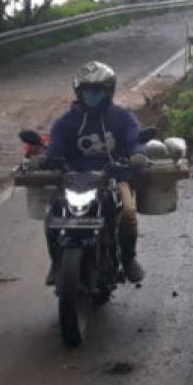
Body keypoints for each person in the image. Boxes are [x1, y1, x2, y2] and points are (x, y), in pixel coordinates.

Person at [44, 61, 146, 284]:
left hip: (114, 176)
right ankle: (56, 262)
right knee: (52, 215)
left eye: (97, 90)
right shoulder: (67, 121)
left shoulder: (122, 117)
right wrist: (49, 158)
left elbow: (134, 140)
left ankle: (129, 259)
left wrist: (137, 154)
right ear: (79, 92)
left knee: (128, 212)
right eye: (87, 90)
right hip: (75, 179)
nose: (92, 95)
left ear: (108, 91)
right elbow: (55, 145)